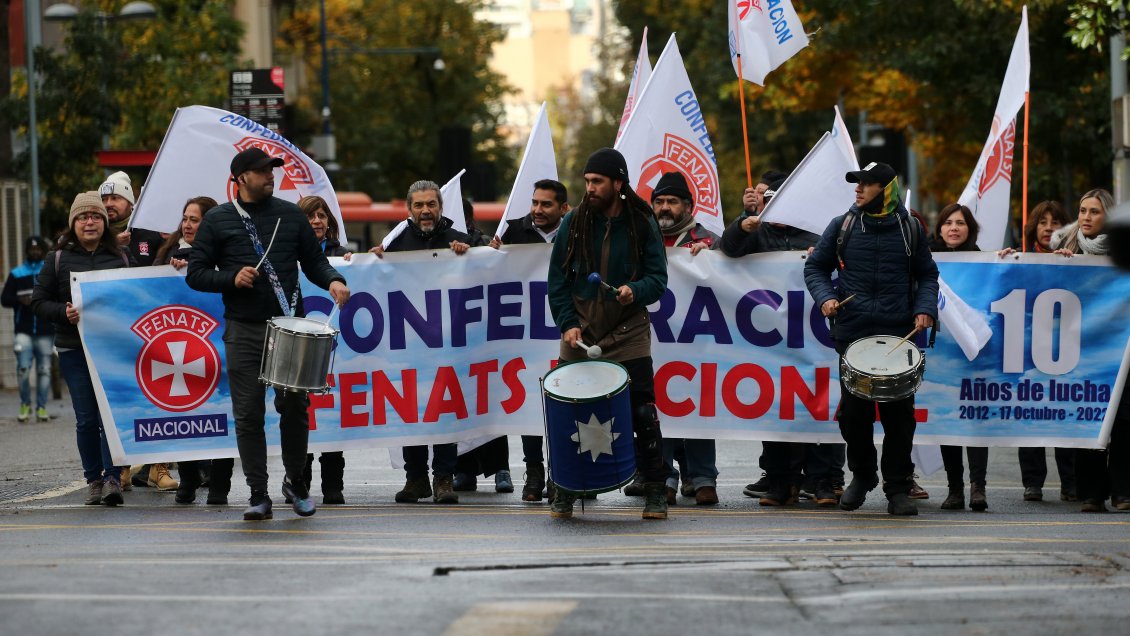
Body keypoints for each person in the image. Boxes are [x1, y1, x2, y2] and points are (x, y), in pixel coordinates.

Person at [187, 147, 350, 521]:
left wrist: (334, 281)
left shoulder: (291, 215)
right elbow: (196, 273)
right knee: (248, 414)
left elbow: (314, 263)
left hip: (290, 329)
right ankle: (258, 493)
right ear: (241, 178)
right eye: (262, 171)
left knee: (295, 409)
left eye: (272, 170)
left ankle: (296, 483)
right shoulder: (218, 219)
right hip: (243, 328)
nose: (270, 176)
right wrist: (231, 277)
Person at [804, 162, 938, 516]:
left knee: (899, 418)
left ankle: (897, 487)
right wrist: (825, 297)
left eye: (866, 184)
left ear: (886, 188)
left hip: (897, 336)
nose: (858, 189)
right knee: (853, 416)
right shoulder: (843, 225)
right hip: (854, 336)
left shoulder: (910, 228)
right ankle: (862, 477)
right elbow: (815, 267)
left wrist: (926, 309)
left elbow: (927, 274)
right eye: (857, 183)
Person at [547, 147, 670, 520]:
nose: (589, 188)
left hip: (628, 331)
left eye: (597, 181)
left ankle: (654, 489)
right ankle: (565, 489)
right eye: (586, 181)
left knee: (643, 412)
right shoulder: (574, 222)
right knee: (566, 412)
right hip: (581, 332)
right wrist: (568, 323)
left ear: (618, 183)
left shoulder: (642, 222)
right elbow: (558, 282)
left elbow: (658, 280)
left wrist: (638, 290)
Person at [721, 177, 844, 508]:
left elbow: (841, 266)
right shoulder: (754, 233)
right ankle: (779, 482)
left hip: (814, 342)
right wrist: (741, 224)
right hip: (770, 345)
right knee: (774, 410)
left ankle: (822, 481)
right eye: (769, 199)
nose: (774, 205)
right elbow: (728, 249)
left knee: (819, 408)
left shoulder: (817, 236)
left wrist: (822, 256)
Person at [370, 180, 472, 504]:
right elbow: (378, 278)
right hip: (409, 343)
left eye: (431, 204)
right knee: (412, 409)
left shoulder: (462, 240)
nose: (426, 210)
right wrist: (373, 262)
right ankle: (415, 479)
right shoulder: (396, 243)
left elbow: (487, 271)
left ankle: (444, 479)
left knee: (444, 409)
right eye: (419, 205)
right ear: (409, 209)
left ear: (441, 207)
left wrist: (470, 256)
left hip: (449, 343)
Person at [31, 193, 132, 506]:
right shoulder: (58, 258)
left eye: (97, 217)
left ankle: (113, 477)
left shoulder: (121, 257)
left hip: (110, 350)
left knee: (109, 419)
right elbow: (38, 302)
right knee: (87, 418)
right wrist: (64, 313)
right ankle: (94, 480)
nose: (90, 222)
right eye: (83, 217)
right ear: (72, 223)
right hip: (74, 350)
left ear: (105, 222)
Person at [1045, 188, 1129, 512]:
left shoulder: (1124, 251)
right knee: (1086, 416)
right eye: (1082, 211)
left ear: (1107, 215)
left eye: (1094, 211)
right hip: (1081, 352)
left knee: (1123, 421)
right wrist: (1059, 268)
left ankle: (1123, 491)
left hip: (1121, 349)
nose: (1085, 217)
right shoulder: (1064, 249)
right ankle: (1091, 493)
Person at [490, 179, 570, 501]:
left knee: (562, 403)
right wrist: (489, 255)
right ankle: (534, 472)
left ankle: (561, 473)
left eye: (546, 204)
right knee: (527, 402)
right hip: (523, 332)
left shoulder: (576, 232)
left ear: (563, 208)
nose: (537, 210)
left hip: (563, 328)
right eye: (534, 203)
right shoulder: (511, 232)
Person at [153, 196, 236, 506]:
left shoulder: (226, 257)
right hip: (182, 354)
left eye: (195, 219)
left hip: (221, 348)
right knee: (185, 413)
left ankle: (220, 484)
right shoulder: (168, 256)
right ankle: (187, 479)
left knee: (223, 415)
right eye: (185, 218)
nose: (187, 224)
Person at [648, 171, 720, 506]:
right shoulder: (644, 238)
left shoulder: (706, 238)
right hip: (654, 342)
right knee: (657, 410)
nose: (664, 208)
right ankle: (664, 478)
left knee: (698, 408)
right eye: (659, 202)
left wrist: (712, 254)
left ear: (688, 206)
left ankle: (704, 477)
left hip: (698, 341)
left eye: (672, 202)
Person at [997, 200, 1077, 500]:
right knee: (1028, 415)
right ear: (1033, 227)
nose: (1048, 228)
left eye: (1055, 222)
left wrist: (1071, 263)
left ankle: (1071, 483)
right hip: (1027, 353)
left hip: (1064, 352)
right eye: (1042, 222)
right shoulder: (1021, 258)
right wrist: (1003, 261)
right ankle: (1033, 482)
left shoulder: (1074, 259)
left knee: (1065, 416)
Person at [929, 203, 991, 512]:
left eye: (961, 223)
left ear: (970, 229)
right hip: (941, 353)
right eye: (948, 222)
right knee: (948, 420)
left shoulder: (985, 261)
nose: (954, 227)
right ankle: (955, 488)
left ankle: (978, 487)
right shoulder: (926, 261)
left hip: (975, 353)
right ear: (939, 228)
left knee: (976, 420)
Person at [296, 195, 348, 505]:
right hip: (301, 345)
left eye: (321, 215)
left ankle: (333, 486)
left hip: (335, 353)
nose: (316, 221)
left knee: (331, 416)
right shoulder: (289, 254)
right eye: (310, 216)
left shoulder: (342, 255)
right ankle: (301, 482)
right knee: (302, 416)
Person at [2, 236, 54, 422]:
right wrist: (20, 300)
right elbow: (4, 299)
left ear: (42, 251)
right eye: (31, 249)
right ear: (26, 251)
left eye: (38, 249)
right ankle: (25, 403)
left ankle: (41, 408)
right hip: (23, 330)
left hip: (46, 331)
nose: (35, 252)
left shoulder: (47, 272)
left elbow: (56, 296)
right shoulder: (17, 273)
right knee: (23, 369)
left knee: (44, 370)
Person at [99, 171, 163, 267]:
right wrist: (112, 244)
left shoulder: (150, 231)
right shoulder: (95, 232)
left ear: (130, 202)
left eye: (115, 198)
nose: (108, 204)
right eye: (104, 199)